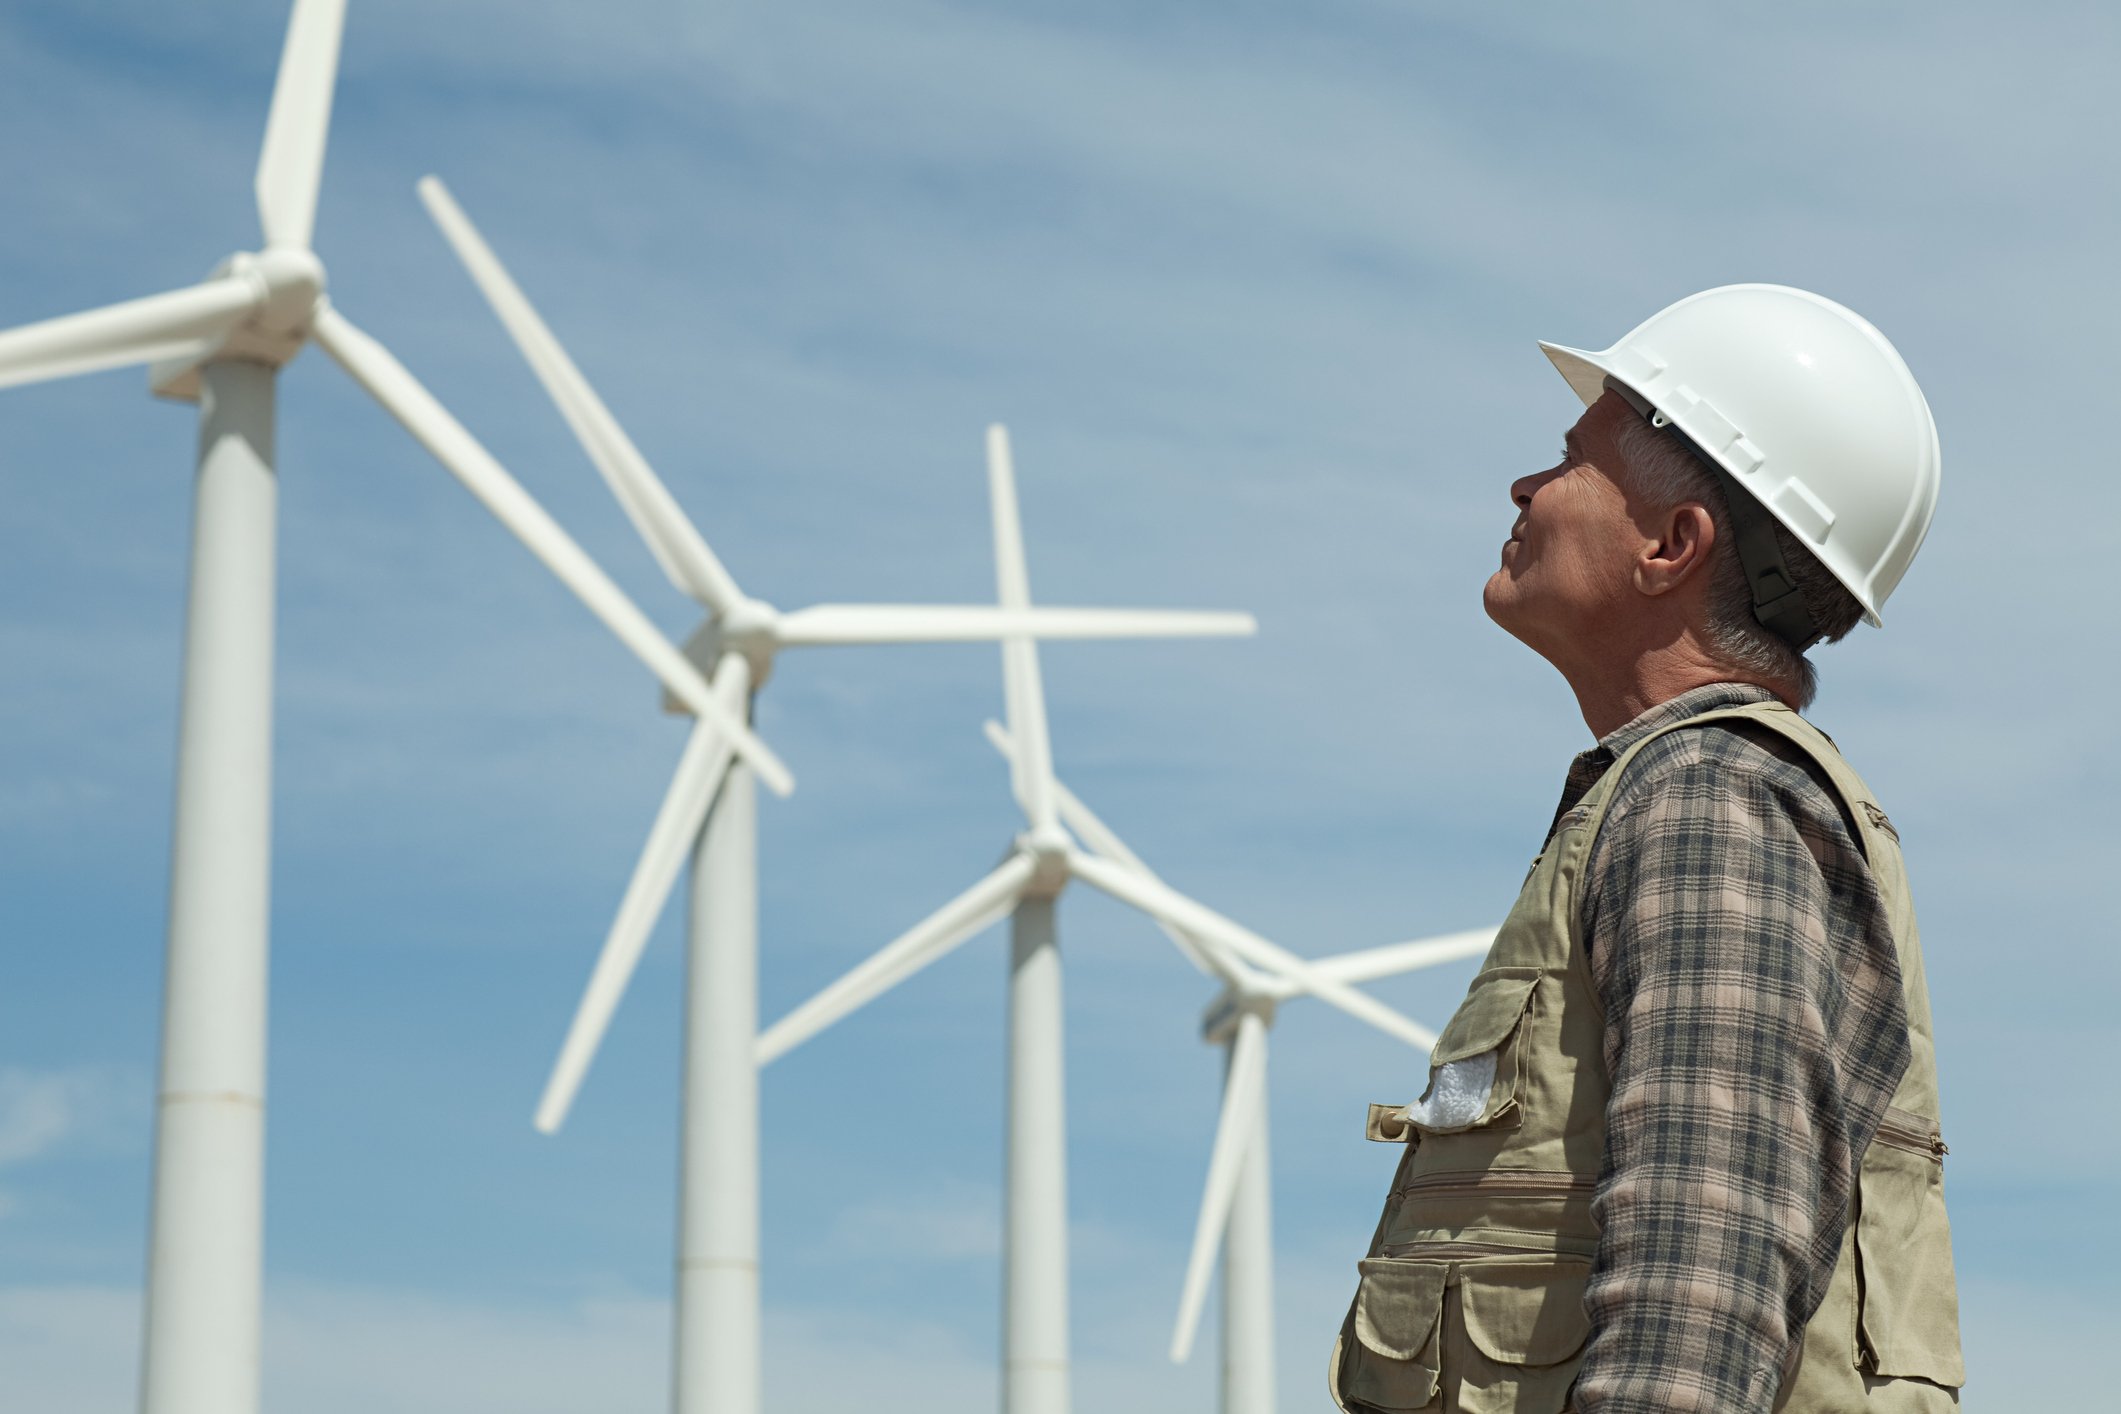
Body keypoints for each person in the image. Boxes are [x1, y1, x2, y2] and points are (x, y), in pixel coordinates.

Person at [1329, 286, 1964, 1413]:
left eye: (1574, 459)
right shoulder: (1684, 793)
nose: (1526, 486)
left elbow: (1696, 1289)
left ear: (1673, 545)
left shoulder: (1712, 800)